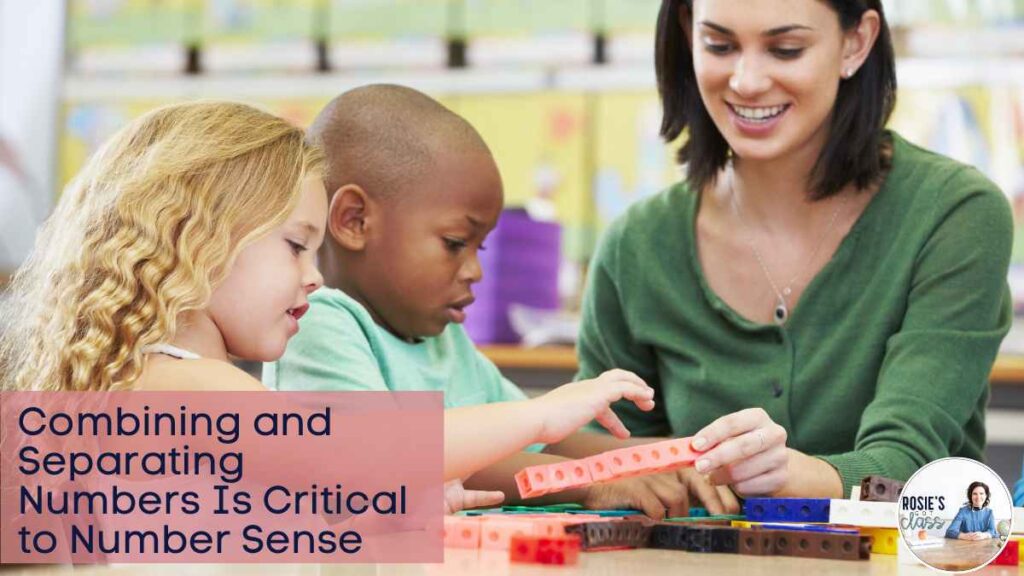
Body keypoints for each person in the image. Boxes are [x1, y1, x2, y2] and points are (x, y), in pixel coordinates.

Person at [0, 101, 655, 510]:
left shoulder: (167, 378)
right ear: (195, 239)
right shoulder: (175, 384)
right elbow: (365, 449)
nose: (314, 278)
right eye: (294, 246)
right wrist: (541, 414)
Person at [574, 0, 1012, 499]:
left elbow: (909, 467)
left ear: (857, 42)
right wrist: (627, 477)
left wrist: (794, 478)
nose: (746, 80)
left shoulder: (954, 214)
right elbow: (607, 452)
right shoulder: (635, 245)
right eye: (719, 45)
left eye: (785, 49)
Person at [267, 84, 740, 517]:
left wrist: (679, 457)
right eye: (455, 243)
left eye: (481, 247)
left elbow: (542, 441)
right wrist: (588, 480)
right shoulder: (318, 323)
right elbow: (394, 455)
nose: (475, 270)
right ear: (354, 221)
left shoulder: (442, 340)